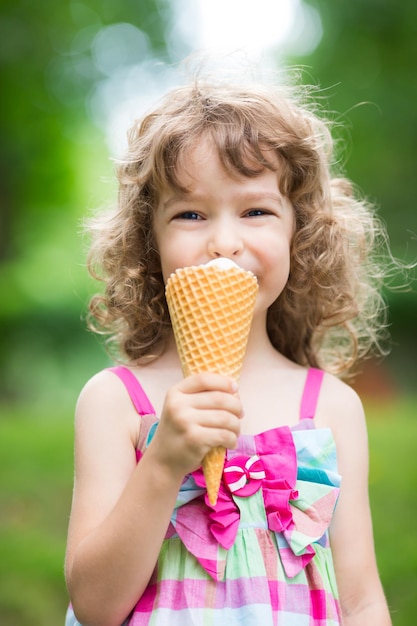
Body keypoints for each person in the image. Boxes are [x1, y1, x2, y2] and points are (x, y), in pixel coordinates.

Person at [64, 68, 394, 626]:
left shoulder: (332, 409)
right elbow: (94, 607)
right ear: (152, 240)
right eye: (189, 214)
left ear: (300, 232)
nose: (223, 242)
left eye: (256, 211)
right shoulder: (116, 402)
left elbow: (361, 601)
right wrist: (165, 460)